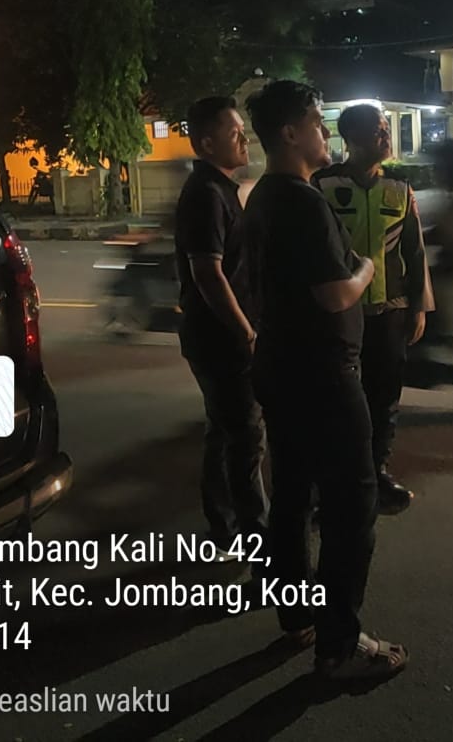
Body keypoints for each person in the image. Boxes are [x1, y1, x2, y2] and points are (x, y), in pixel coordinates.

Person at [242, 80, 409, 679]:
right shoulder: (302, 201)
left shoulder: (264, 196)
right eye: (316, 121)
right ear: (290, 132)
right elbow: (335, 292)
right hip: (322, 374)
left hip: (281, 366)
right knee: (352, 504)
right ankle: (341, 642)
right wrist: (364, 269)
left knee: (292, 495)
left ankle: (297, 616)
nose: (324, 131)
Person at [314, 104, 434, 513]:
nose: (386, 137)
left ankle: (377, 474)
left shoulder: (400, 187)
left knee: (384, 399)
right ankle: (333, 484)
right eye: (378, 130)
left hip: (390, 311)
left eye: (386, 129)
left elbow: (415, 252)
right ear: (352, 138)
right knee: (338, 402)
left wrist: (419, 308)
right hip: (340, 315)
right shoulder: (324, 185)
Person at [173, 97, 267, 559]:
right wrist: (245, 332)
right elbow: (207, 273)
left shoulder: (222, 189)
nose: (245, 138)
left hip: (219, 336)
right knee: (246, 439)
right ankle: (256, 540)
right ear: (207, 143)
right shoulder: (206, 195)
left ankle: (225, 529)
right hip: (221, 339)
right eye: (234, 133)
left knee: (224, 432)